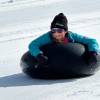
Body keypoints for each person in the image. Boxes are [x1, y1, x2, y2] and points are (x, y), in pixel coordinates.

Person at [29, 13, 99, 67]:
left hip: (71, 61)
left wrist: (93, 52)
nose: (56, 33)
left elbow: (92, 41)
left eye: (59, 30)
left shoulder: (72, 36)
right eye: (53, 30)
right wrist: (38, 55)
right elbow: (33, 44)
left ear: (65, 31)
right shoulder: (47, 37)